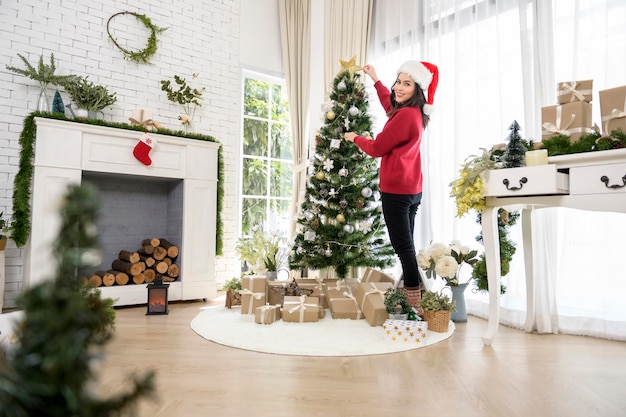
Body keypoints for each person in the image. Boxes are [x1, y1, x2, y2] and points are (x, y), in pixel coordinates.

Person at [344, 61, 438, 311]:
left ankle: (413, 303)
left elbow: (376, 148)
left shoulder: (405, 115)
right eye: (398, 81)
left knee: (403, 248)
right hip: (412, 189)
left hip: (397, 191)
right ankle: (414, 298)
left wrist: (355, 138)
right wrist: (376, 79)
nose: (399, 87)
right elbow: (389, 104)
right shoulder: (414, 112)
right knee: (407, 246)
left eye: (407, 84)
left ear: (417, 88)